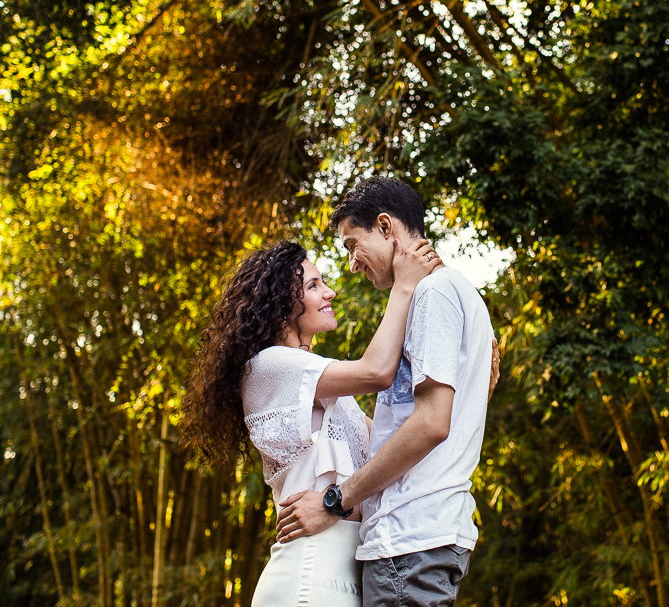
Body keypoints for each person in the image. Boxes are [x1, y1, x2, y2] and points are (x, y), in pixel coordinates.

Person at [180, 235, 496, 606]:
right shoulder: (269, 366)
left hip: (349, 573)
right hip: (310, 573)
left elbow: (401, 443)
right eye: (314, 285)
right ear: (281, 304)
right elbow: (377, 371)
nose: (329, 292)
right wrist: (405, 286)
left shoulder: (331, 398)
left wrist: (469, 393)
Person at [275, 177, 496, 607]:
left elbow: (432, 424)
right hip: (421, 537)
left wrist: (336, 501)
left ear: (384, 227)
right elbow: (433, 419)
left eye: (351, 245)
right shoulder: (456, 292)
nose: (353, 264)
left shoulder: (433, 292)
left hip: (408, 538)